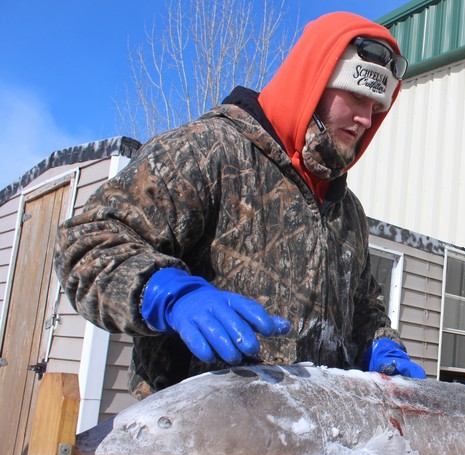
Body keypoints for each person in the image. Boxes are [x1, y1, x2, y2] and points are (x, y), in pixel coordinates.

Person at [54, 11, 426, 403]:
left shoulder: (347, 212)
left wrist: (382, 348)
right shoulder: (209, 150)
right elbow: (88, 241)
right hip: (196, 437)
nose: (366, 118)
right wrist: (167, 293)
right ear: (313, 84)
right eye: (355, 97)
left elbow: (365, 308)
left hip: (314, 441)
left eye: (376, 106)